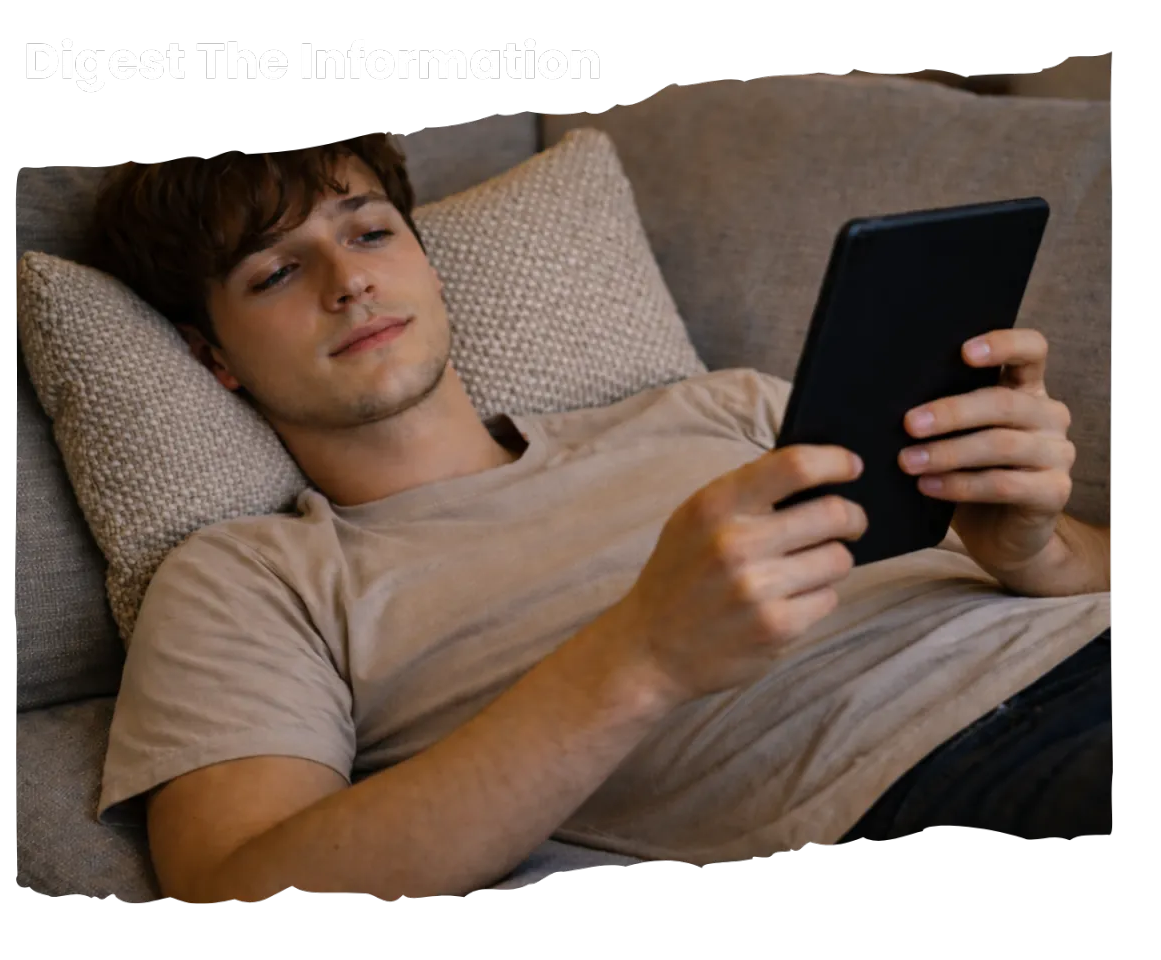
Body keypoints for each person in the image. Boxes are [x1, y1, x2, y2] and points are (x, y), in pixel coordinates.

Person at [88, 132, 1113, 904]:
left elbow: (1087, 570)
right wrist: (643, 655)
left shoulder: (720, 403)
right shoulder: (249, 577)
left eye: (369, 231)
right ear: (213, 358)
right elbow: (240, 886)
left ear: (426, 262)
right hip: (962, 761)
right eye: (276, 271)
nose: (349, 279)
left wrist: (1038, 549)